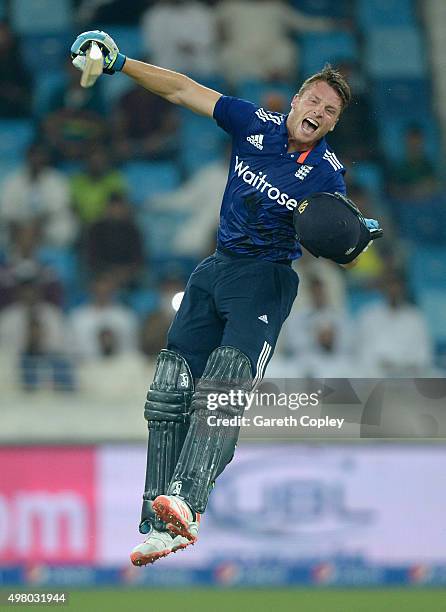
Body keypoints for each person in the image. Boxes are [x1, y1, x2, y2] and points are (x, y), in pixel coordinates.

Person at [71, 30, 382, 566]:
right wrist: (121, 62)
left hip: (265, 280)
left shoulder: (327, 175)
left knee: (224, 385)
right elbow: (181, 90)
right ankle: (157, 520)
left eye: (329, 110)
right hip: (215, 270)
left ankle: (188, 503)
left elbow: (339, 243)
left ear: (332, 124)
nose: (318, 111)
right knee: (168, 389)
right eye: (313, 99)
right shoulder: (252, 124)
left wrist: (355, 236)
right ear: (295, 100)